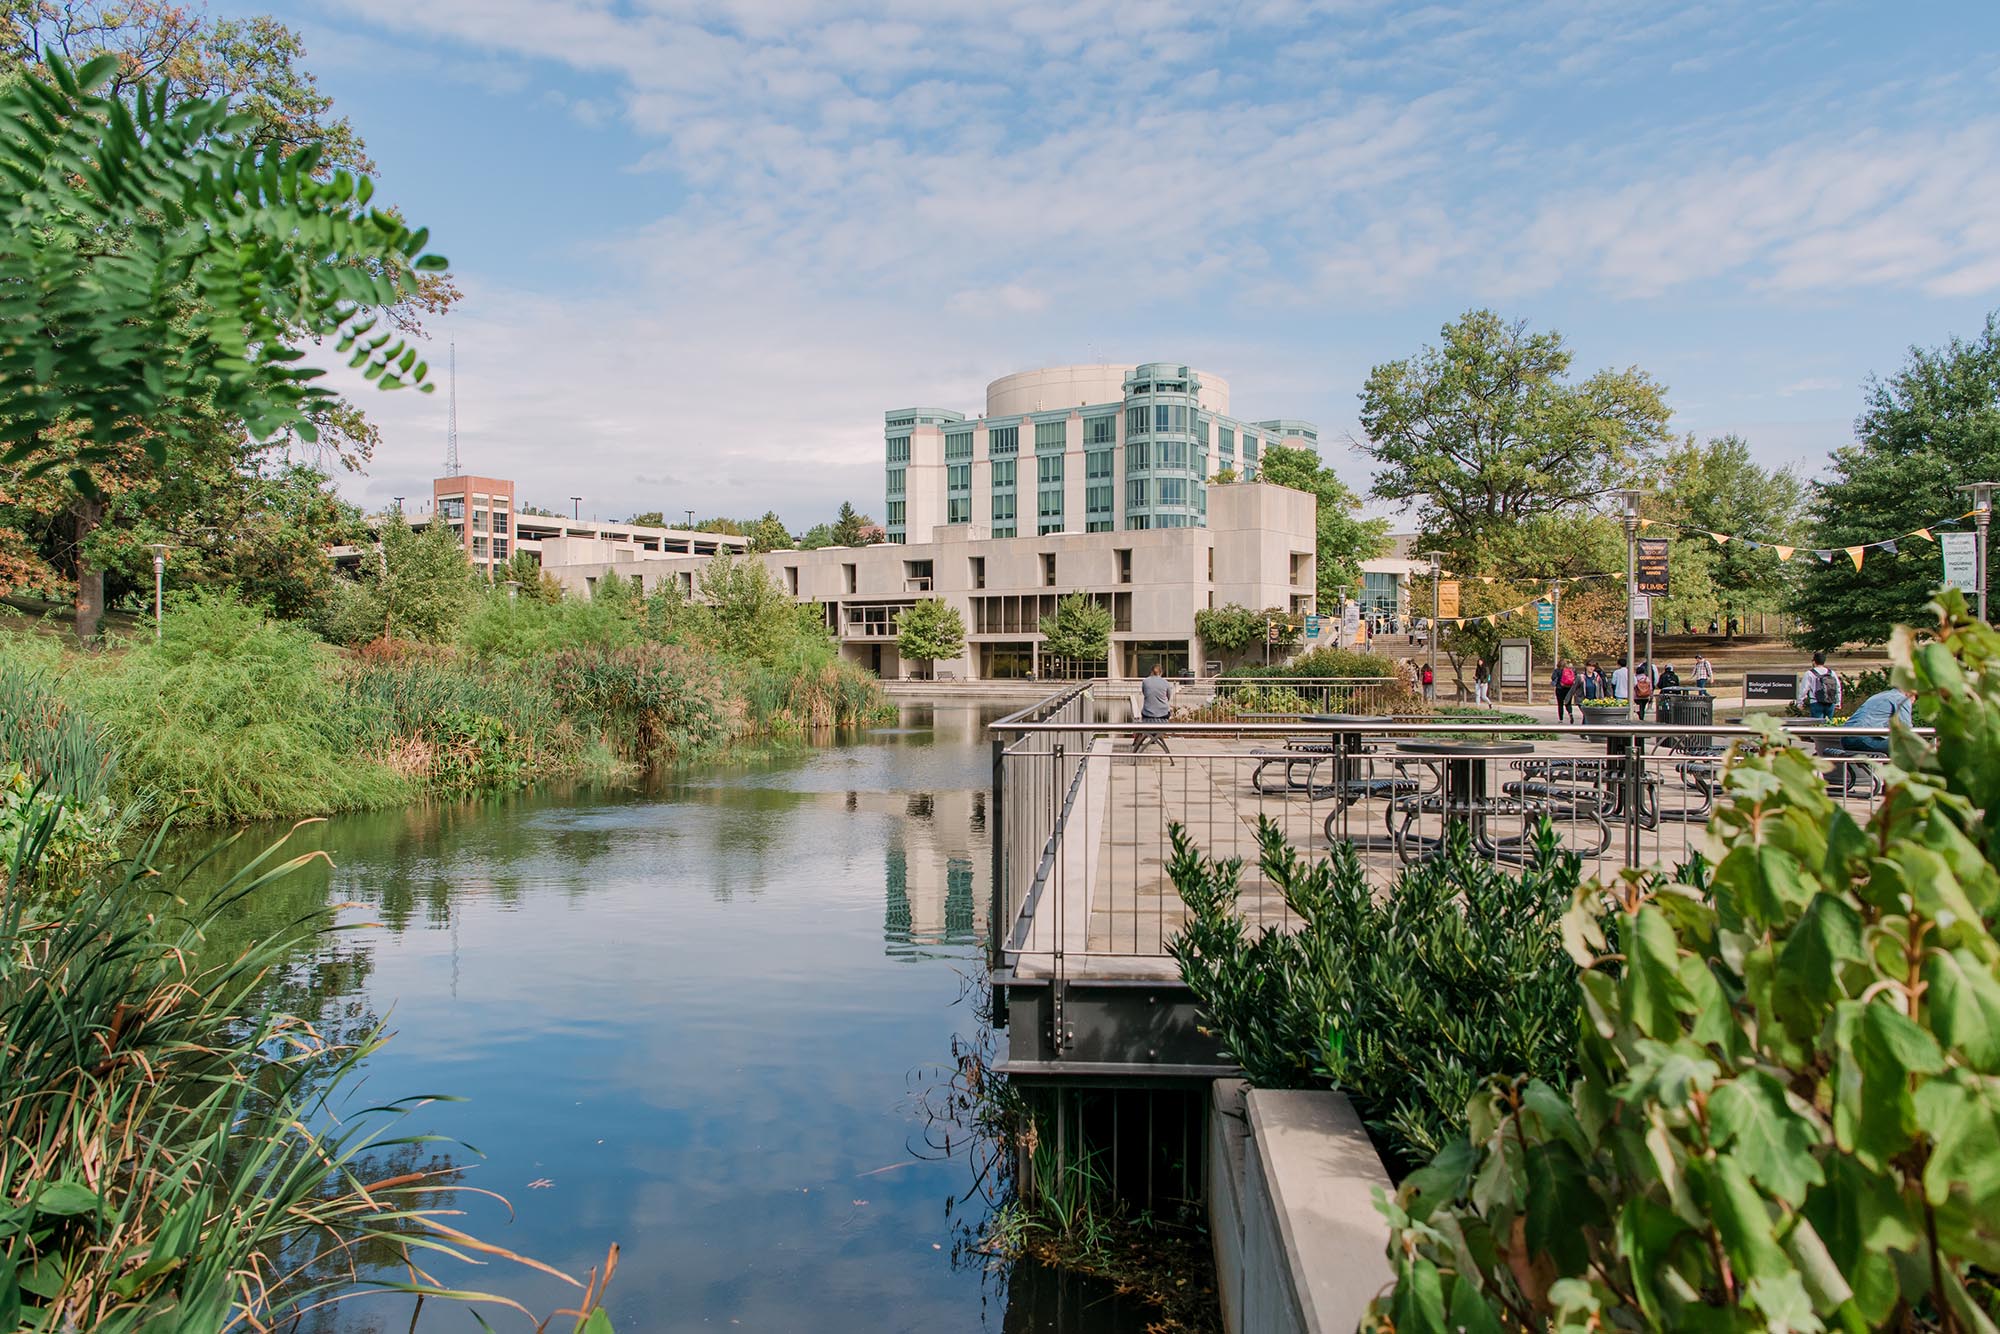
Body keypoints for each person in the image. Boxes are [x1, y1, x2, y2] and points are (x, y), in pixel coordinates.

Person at [1837, 686, 1916, 753]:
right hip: (1863, 738)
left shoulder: (1881, 695)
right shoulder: (1902, 699)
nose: (1913, 702)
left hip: (1846, 739)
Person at [1134, 663, 1174, 757]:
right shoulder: (1165, 683)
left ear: (1151, 671)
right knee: (1166, 711)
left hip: (1147, 719)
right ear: (1161, 672)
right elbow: (1168, 697)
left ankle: (1137, 745)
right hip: (1163, 720)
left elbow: (1145, 693)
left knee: (1142, 714)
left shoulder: (1145, 681)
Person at [1797, 651, 1842, 721]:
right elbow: (1837, 688)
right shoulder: (1831, 673)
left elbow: (1804, 689)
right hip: (1830, 702)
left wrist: (1800, 702)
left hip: (1816, 702)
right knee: (1829, 725)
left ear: (1814, 662)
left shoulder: (1809, 673)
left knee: (1817, 725)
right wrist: (1838, 702)